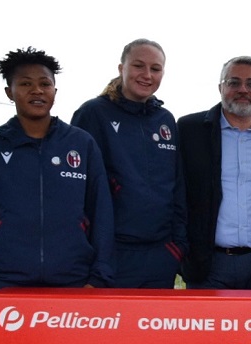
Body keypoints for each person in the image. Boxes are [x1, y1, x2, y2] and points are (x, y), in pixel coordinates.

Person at [0, 48, 114, 344]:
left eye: (45, 83)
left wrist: (97, 278)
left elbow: (102, 215)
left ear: (55, 90)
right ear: (9, 91)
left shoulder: (81, 144)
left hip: (71, 281)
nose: (37, 91)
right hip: (4, 283)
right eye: (25, 84)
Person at [71, 39, 187, 288]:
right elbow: (74, 189)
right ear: (121, 68)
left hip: (160, 255)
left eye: (155, 69)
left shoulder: (165, 120)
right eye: (138, 66)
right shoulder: (93, 114)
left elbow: (177, 185)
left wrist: (177, 246)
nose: (147, 75)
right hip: (111, 255)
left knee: (153, 326)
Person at [177, 56, 251, 289]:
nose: (243, 90)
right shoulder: (189, 131)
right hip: (206, 264)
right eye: (234, 82)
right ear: (220, 87)